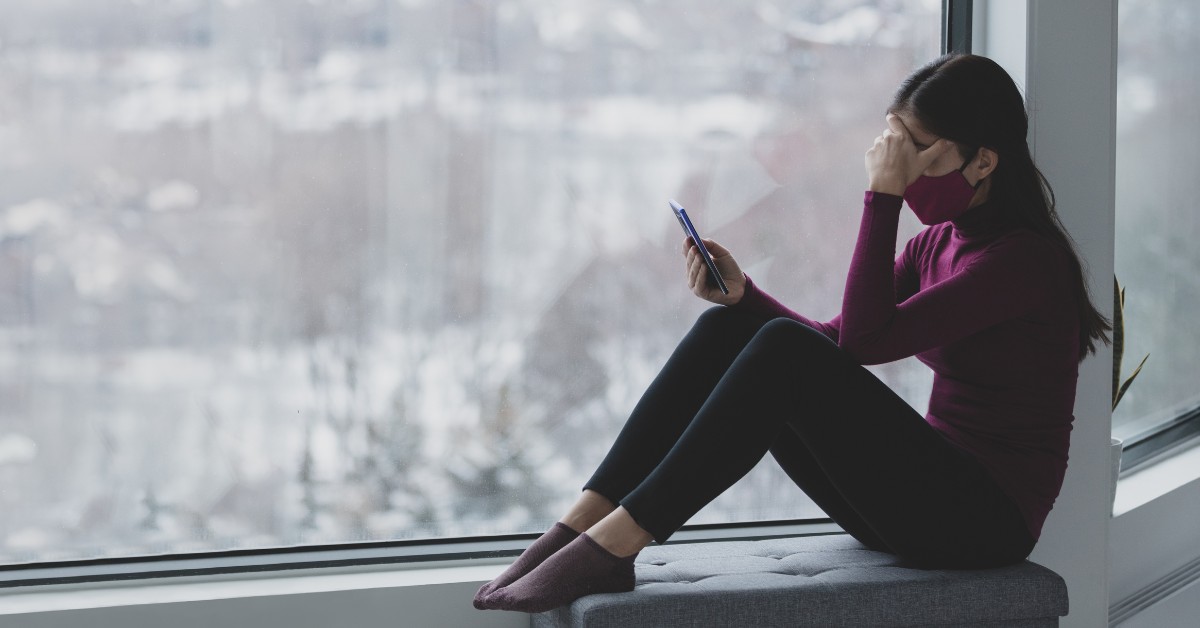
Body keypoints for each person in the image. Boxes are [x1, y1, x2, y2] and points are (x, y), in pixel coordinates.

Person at [474, 53, 1110, 615]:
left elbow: (859, 345)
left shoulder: (1025, 262)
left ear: (983, 162)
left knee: (780, 346)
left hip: (982, 522)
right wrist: (747, 296)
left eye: (916, 148)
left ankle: (620, 541)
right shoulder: (937, 244)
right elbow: (835, 343)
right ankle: (583, 519)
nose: (897, 163)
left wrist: (881, 198)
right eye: (893, 145)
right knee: (731, 324)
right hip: (914, 505)